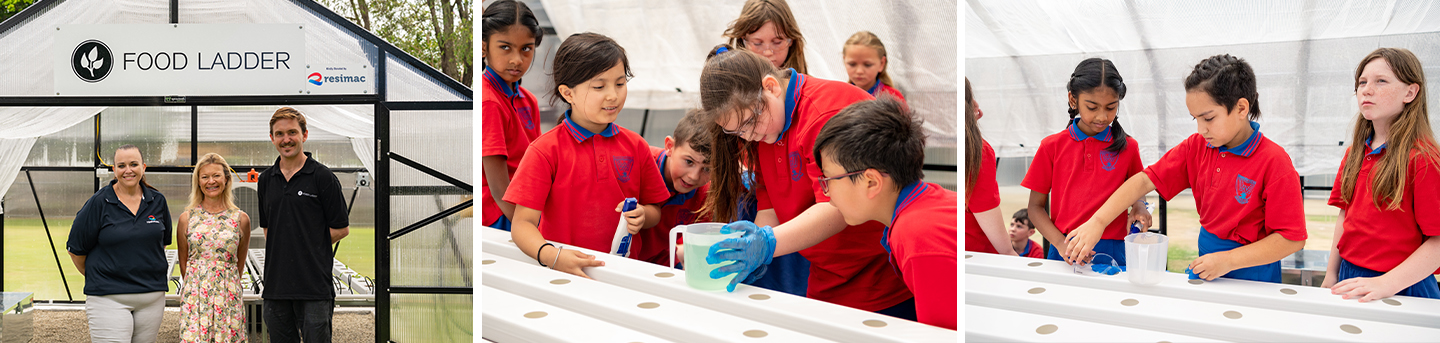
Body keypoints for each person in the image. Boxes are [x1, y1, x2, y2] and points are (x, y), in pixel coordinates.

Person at [696, 46, 915, 320]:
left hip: (881, 273)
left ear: (771, 86)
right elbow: (769, 200)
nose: (749, 136)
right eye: (737, 131)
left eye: (751, 122)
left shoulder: (824, 113)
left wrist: (768, 242)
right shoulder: (765, 128)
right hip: (827, 276)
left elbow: (839, 206)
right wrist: (753, 242)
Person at [1066, 55, 1307, 283]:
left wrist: (1229, 260)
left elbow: (1291, 239)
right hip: (1210, 267)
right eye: (1196, 120)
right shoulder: (1196, 147)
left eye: (1209, 118)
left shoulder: (1274, 162)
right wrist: (1097, 222)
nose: (1201, 129)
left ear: (1242, 108)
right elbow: (1143, 182)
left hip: (1255, 277)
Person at [505, 32, 671, 278]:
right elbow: (522, 224)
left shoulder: (636, 145)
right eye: (599, 86)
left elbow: (655, 210)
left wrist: (643, 216)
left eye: (620, 83)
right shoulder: (544, 150)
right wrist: (552, 256)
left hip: (623, 274)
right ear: (567, 93)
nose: (613, 95)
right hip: (562, 274)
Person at [809, 97, 956, 330]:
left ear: (871, 182)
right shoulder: (927, 203)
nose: (826, 192)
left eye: (828, 179)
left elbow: (943, 335)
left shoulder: (918, 238)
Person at [1324, 47, 1440, 301]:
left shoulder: (1423, 158)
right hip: (1350, 277)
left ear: (1410, 92)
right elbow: (1345, 216)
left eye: (1381, 81)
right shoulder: (1355, 152)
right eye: (1362, 82)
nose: (1366, 89)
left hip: (1404, 285)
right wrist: (1331, 275)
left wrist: (1387, 283)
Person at [1022, 58, 1149, 266]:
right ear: (1073, 100)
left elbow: (1139, 188)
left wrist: (1140, 205)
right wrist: (1061, 244)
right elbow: (1035, 208)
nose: (1102, 116)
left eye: (1111, 107)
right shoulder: (1051, 146)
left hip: (1114, 251)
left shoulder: (1129, 147)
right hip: (1064, 251)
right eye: (1092, 107)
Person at [258, 107, 350, 342]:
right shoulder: (266, 180)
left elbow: (341, 228)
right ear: (272, 138)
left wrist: (307, 244)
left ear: (304, 135)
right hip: (276, 288)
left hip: (314, 288)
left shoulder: (323, 177)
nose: (286, 139)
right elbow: (269, 228)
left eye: (292, 132)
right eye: (279, 134)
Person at [66, 145, 171, 343]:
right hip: (109, 298)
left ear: (144, 167)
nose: (128, 170)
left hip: (152, 299)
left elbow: (161, 245)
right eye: (121, 165)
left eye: (133, 164)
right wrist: (104, 277)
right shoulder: (98, 202)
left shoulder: (158, 200)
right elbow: (76, 250)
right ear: (114, 170)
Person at [481, 0, 545, 232]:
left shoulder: (528, 100)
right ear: (483, 47)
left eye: (526, 48)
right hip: (500, 215)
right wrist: (531, 228)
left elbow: (537, 165)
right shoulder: (488, 101)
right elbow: (498, 189)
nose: (517, 59)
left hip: (526, 206)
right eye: (505, 47)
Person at [177, 153, 251, 342]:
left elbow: (239, 263)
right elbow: (184, 261)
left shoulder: (240, 219)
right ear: (198, 182)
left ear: (226, 179)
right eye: (205, 177)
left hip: (228, 295)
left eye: (216, 175)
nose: (211, 181)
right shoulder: (187, 218)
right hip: (195, 296)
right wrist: (197, 287)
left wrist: (224, 284)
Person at [635, 109, 713, 267]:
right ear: (669, 146)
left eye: (706, 169)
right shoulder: (638, 162)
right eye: (689, 162)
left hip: (662, 264)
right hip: (616, 259)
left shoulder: (706, 195)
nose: (694, 176)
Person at [964, 78, 1019, 256]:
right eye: (971, 97)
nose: (977, 104)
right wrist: (1010, 253)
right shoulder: (977, 151)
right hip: (979, 255)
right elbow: (984, 208)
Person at [724, 0, 808, 73]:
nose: (768, 53)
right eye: (757, 43)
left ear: (791, 40)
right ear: (743, 40)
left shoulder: (809, 87)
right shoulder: (731, 86)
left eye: (777, 43)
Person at [842, 31, 906, 106]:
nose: (859, 71)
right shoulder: (840, 96)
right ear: (844, 60)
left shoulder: (893, 98)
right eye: (852, 64)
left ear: (882, 63)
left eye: (867, 65)